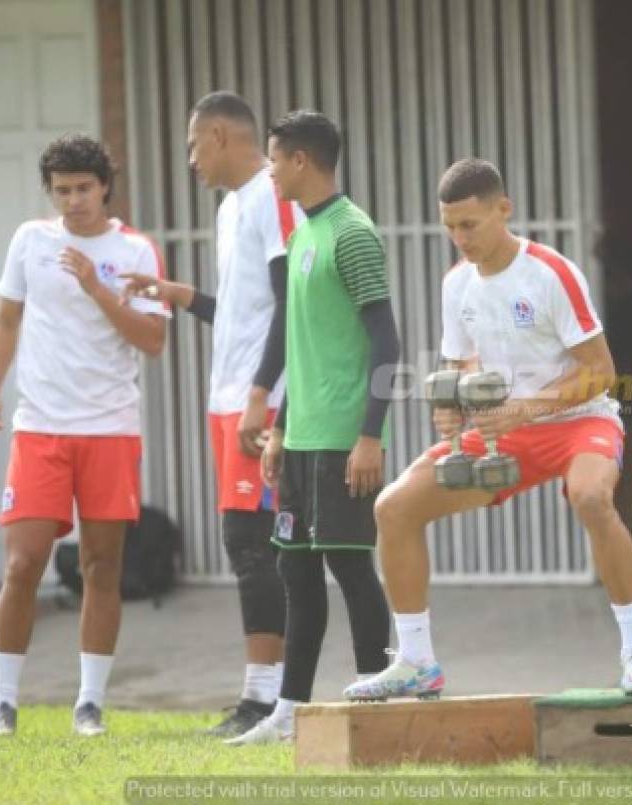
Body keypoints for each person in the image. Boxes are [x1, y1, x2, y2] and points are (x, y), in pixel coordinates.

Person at [343, 157, 632, 701]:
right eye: (449, 226)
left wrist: (525, 409)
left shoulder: (550, 271)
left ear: (503, 210)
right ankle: (417, 662)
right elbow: (458, 366)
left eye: (469, 224)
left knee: (591, 498)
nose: (458, 238)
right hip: (503, 430)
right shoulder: (456, 284)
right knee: (393, 508)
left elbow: (603, 373)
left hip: (579, 420)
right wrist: (449, 404)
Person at [120, 91, 303, 738]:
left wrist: (262, 392)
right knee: (248, 542)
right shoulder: (230, 208)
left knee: (257, 543)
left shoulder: (271, 195)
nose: (191, 160)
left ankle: (271, 701)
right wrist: (184, 297)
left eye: (195, 145)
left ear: (222, 135)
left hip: (263, 398)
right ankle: (268, 698)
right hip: (227, 399)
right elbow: (244, 307)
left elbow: (290, 304)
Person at [0, 134, 169, 737]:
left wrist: (95, 286)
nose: (74, 201)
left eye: (84, 188)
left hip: (110, 429)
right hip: (40, 428)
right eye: (62, 190)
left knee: (101, 565)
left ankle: (89, 704)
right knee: (22, 564)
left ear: (104, 185)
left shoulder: (135, 249)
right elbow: (6, 320)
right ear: (49, 191)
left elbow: (153, 340)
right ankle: (2, 704)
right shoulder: (30, 241)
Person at [238, 110, 399, 744]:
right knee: (296, 575)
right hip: (301, 438)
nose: (269, 170)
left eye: (274, 158)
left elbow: (388, 344)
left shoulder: (351, 233)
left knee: (351, 567)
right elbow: (306, 349)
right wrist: (278, 428)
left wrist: (371, 436)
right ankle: (287, 714)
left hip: (342, 438)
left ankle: (377, 702)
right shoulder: (302, 234)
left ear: (301, 161)